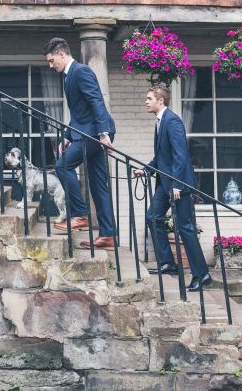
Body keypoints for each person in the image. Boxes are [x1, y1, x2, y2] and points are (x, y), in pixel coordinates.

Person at [43, 37, 117, 251]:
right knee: (98, 186)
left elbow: (96, 101)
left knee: (62, 166)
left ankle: (80, 214)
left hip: (94, 134)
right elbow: (78, 112)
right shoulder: (68, 76)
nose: (50, 65)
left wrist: (104, 133)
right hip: (85, 132)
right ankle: (108, 236)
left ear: (61, 54)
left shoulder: (80, 71)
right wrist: (67, 136)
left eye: (51, 61)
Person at [134, 84, 210, 291]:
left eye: (149, 98)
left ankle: (202, 275)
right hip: (165, 182)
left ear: (160, 101)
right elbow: (162, 157)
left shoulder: (172, 120)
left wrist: (177, 185)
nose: (146, 102)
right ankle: (168, 263)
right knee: (153, 217)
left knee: (185, 228)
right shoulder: (160, 122)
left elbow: (180, 155)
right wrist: (146, 170)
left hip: (178, 185)